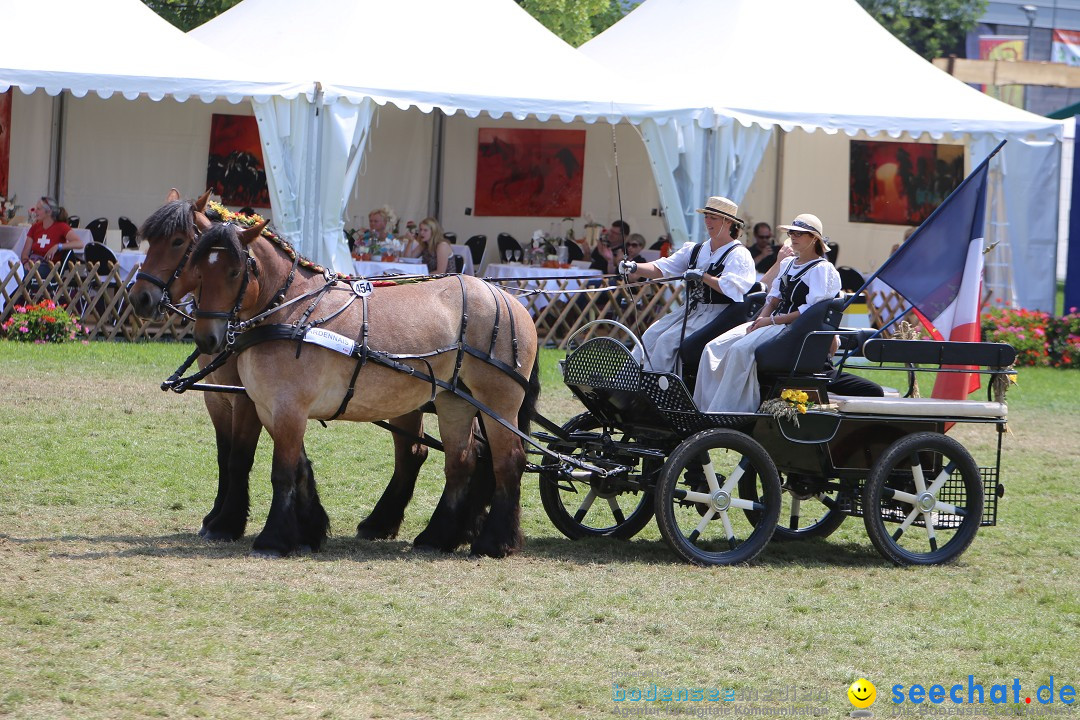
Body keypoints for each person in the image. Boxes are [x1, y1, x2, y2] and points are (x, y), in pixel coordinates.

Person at [692, 213, 840, 414]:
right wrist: (762, 319)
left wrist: (770, 320)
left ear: (814, 238)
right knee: (713, 347)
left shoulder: (823, 270)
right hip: (772, 322)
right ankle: (702, 407)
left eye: (799, 233)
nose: (793, 236)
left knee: (739, 351)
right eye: (791, 232)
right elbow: (773, 298)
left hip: (793, 330)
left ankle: (729, 411)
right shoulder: (788, 264)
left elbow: (811, 313)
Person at [619, 196, 756, 374]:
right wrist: (634, 267)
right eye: (706, 216)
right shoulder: (696, 250)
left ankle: (660, 389)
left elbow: (732, 289)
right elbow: (663, 268)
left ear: (728, 221)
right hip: (690, 311)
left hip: (718, 315)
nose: (707, 221)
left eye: (713, 217)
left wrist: (703, 276)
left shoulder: (738, 254)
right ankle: (627, 381)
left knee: (667, 341)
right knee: (651, 335)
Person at [20, 196, 86, 266]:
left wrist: (58, 246)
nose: (35, 211)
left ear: (49, 212)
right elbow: (25, 253)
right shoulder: (35, 227)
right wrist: (25, 262)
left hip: (50, 266)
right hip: (33, 263)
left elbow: (80, 243)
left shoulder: (62, 227)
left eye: (39, 209)